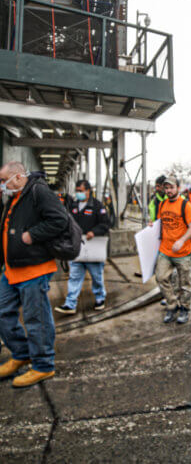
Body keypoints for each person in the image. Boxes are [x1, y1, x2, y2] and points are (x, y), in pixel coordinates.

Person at [0, 163, 67, 387]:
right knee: (2, 311)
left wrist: (32, 235)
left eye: (3, 180)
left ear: (18, 177)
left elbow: (60, 220)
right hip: (12, 269)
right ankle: (21, 353)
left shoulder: (39, 192)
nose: (2, 185)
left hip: (34, 268)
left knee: (36, 318)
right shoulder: (15, 197)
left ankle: (43, 365)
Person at [55, 180, 111, 314]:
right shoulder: (73, 206)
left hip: (93, 248)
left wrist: (94, 231)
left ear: (88, 191)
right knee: (74, 276)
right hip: (77, 248)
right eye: (77, 191)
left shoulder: (97, 206)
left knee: (96, 276)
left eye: (81, 191)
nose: (78, 193)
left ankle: (100, 299)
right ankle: (70, 304)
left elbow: (106, 223)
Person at [154, 177, 191, 324]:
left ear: (178, 188)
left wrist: (181, 240)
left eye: (171, 187)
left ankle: (184, 309)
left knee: (184, 284)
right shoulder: (162, 204)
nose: (168, 191)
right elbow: (159, 223)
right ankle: (172, 305)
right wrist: (151, 226)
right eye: (166, 188)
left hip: (183, 252)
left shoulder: (185, 205)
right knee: (160, 277)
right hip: (165, 250)